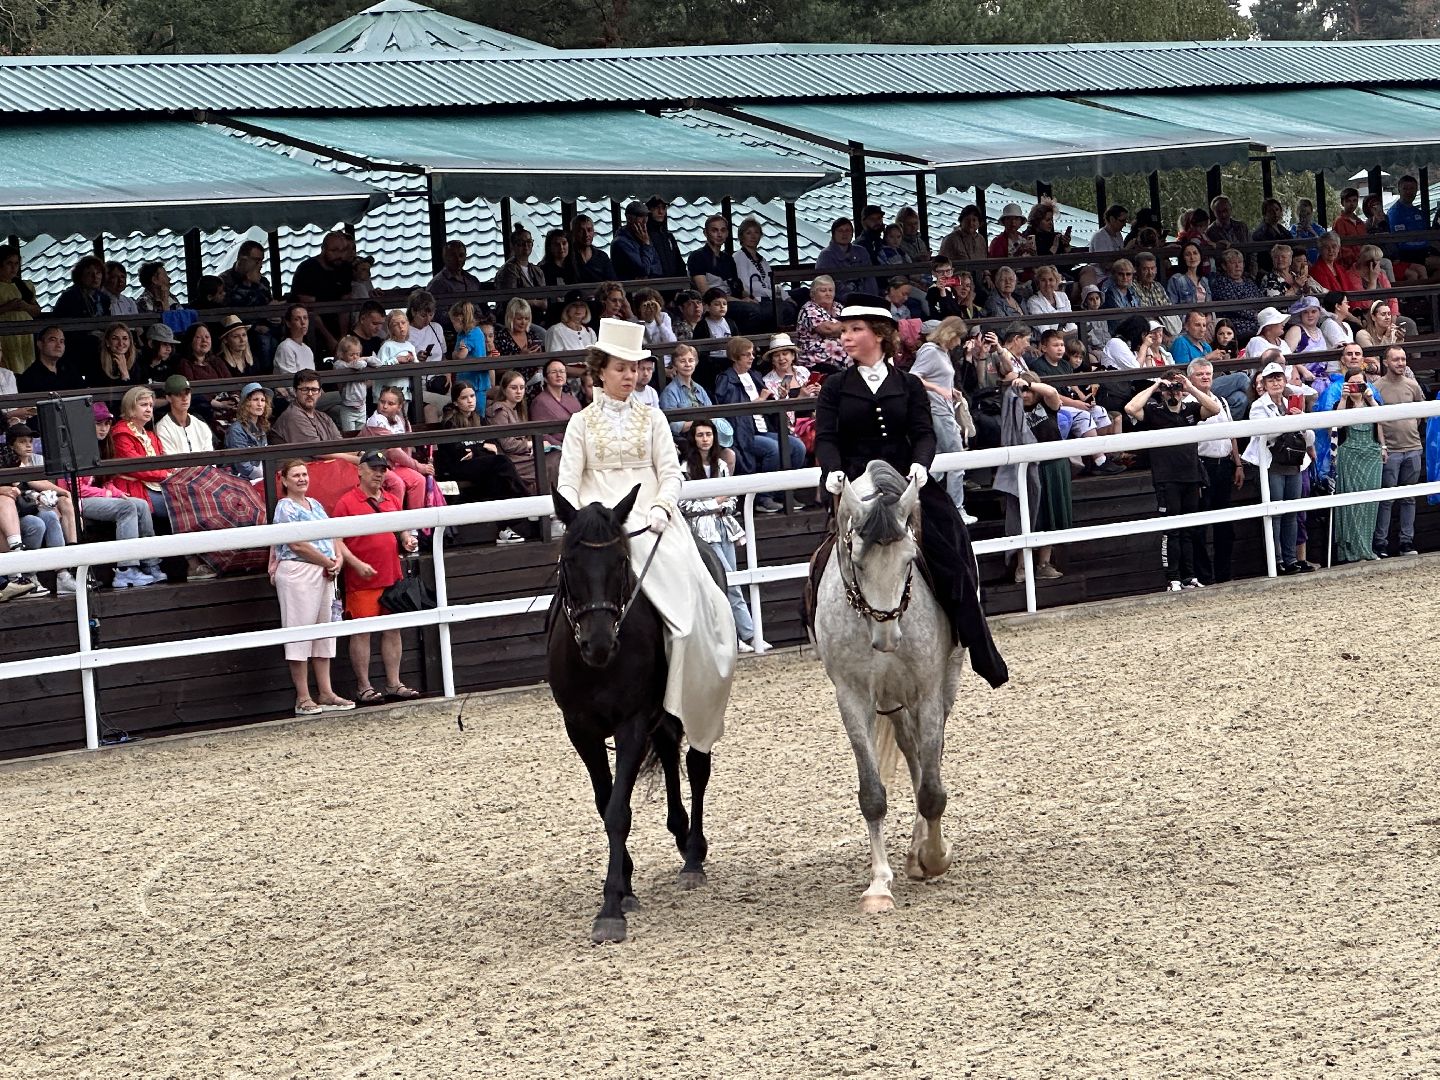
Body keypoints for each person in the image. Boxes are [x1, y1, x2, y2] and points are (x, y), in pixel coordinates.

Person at [555, 316, 737, 744]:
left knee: (689, 616)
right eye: (620, 368)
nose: (629, 376)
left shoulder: (653, 417)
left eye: (634, 368)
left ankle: (678, 702)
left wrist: (661, 506)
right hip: (600, 525)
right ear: (600, 370)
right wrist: (580, 519)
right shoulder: (580, 422)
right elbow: (567, 480)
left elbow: (671, 473)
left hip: (651, 519)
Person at [813, 293, 1006, 683]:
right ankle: (818, 628)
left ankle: (974, 643)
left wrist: (920, 465)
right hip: (854, 484)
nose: (845, 337)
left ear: (879, 335)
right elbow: (827, 438)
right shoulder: (835, 386)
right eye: (844, 330)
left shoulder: (909, 384)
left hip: (906, 481)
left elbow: (923, 433)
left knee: (952, 546)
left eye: (854, 329)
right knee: (820, 564)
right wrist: (832, 470)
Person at [332, 450, 421, 705]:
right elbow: (336, 540)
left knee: (392, 630)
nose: (379, 474)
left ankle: (393, 683)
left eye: (382, 470)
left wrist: (407, 539)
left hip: (391, 575)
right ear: (360, 470)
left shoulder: (391, 499)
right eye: (374, 469)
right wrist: (356, 564)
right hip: (362, 579)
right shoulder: (346, 503)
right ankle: (364, 687)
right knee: (362, 632)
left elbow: (401, 529)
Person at [271, 460, 356, 716]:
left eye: (304, 474)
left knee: (324, 632)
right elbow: (296, 544)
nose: (302, 479)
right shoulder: (285, 507)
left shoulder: (315, 504)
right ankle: (303, 696)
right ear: (285, 480)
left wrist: (337, 560)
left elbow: (331, 535)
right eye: (296, 475)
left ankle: (326, 692)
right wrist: (327, 562)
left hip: (324, 572)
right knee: (299, 632)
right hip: (299, 572)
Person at [1124, 372, 1221, 591]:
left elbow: (1215, 409)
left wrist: (1190, 387)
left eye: (1176, 389)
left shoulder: (1191, 409)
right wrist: (1156, 385)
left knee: (1189, 529)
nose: (1173, 393)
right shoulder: (1154, 411)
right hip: (1167, 478)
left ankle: (1189, 576)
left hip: (1191, 476)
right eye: (1169, 390)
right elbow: (1130, 408)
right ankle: (1173, 578)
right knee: (1171, 530)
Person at [679, 418, 762, 652]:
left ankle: (744, 634)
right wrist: (715, 502)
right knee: (725, 581)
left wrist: (718, 504)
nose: (705, 439)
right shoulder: (684, 469)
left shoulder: (722, 465)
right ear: (693, 439)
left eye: (708, 434)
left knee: (733, 579)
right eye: (700, 435)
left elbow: (732, 499)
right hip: (702, 531)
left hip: (724, 527)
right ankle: (745, 634)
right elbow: (685, 506)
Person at [713, 336, 805, 512]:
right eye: (746, 355)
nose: (752, 357)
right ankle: (763, 497)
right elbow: (732, 411)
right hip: (744, 433)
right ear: (735, 357)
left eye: (752, 354)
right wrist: (759, 401)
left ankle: (783, 492)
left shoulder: (754, 375)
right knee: (773, 449)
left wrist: (779, 397)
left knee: (797, 446)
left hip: (764, 428)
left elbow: (767, 405)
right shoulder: (726, 379)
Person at [1242, 361, 1315, 575]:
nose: (1276, 383)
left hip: (1293, 464)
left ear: (1284, 381)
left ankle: (1291, 559)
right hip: (1272, 465)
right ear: (1264, 384)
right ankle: (1277, 560)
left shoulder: (1292, 403)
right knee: (1275, 514)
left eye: (1279, 378)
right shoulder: (1258, 406)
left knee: (1291, 513)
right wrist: (1289, 420)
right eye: (1271, 379)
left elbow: (1309, 437)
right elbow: (1265, 433)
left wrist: (1300, 420)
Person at [434, 381, 527, 544]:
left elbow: (493, 448)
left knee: (497, 477)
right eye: (464, 398)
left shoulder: (480, 419)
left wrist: (476, 451)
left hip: (480, 465)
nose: (470, 400)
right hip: (458, 468)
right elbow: (459, 454)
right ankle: (526, 499)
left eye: (472, 396)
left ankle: (504, 529)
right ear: (456, 402)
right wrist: (480, 449)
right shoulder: (450, 423)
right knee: (502, 462)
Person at [908, 317, 975, 520]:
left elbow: (937, 376)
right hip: (937, 410)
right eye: (958, 337)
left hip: (943, 409)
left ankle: (923, 505)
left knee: (936, 464)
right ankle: (957, 509)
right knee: (956, 459)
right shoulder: (930, 350)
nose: (959, 342)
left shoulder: (942, 352)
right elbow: (913, 377)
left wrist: (949, 390)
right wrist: (938, 389)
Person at [1371, 345, 1425, 558]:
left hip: (1413, 447)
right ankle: (1380, 542)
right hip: (1390, 450)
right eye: (1396, 359)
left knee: (1409, 498)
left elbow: (1421, 412)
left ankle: (1406, 542)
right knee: (1386, 499)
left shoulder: (1412, 385)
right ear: (1386, 362)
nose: (1401, 363)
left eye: (1403, 359)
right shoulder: (1377, 386)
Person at [1329, 373, 1387, 564]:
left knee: (1370, 504)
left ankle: (1366, 548)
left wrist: (1383, 446)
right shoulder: (1340, 403)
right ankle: (1352, 551)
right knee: (1351, 504)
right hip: (1349, 456)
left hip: (1371, 455)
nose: (1356, 387)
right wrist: (1344, 398)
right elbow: (1335, 426)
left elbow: (1381, 421)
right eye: (1351, 383)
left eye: (1359, 383)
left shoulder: (1372, 403)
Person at [487, 368, 557, 495]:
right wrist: (533, 444)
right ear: (504, 389)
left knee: (557, 455)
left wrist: (532, 447)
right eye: (514, 388)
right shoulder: (499, 411)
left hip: (524, 456)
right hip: (512, 461)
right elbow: (508, 445)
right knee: (554, 459)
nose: (519, 391)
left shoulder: (518, 409)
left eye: (522, 387)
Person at [364, 387, 431, 510]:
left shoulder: (401, 420)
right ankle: (395, 520)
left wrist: (411, 468)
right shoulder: (375, 421)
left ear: (399, 407)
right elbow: (392, 450)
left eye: (390, 404)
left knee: (419, 480)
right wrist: (418, 467)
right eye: (382, 402)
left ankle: (416, 520)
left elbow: (406, 449)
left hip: (394, 465)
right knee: (397, 483)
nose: (384, 406)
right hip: (374, 465)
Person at [289, 231, 354, 354]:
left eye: (343, 250)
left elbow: (345, 306)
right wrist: (330, 339)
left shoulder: (345, 268)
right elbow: (310, 309)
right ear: (323, 249)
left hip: (336, 325)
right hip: (309, 329)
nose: (339, 255)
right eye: (334, 251)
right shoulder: (307, 269)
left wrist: (343, 338)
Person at [0, 245, 41, 374]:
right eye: (9, 263)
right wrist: (8, 307)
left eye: (16, 263)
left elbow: (37, 311)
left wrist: (25, 307)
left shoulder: (23, 285)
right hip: (5, 334)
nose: (13, 267)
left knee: (27, 365)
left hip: (25, 334)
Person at [1208, 248, 1265, 341]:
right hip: (1236, 322)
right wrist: (1257, 316)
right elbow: (1235, 306)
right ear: (1224, 266)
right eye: (1233, 263)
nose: (1237, 266)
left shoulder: (1249, 281)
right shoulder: (1221, 283)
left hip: (1257, 319)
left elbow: (1261, 299)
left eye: (1240, 262)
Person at [815, 217, 876, 301]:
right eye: (840, 230)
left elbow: (870, 279)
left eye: (847, 230)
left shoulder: (861, 251)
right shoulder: (826, 255)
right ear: (833, 234)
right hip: (838, 301)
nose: (844, 234)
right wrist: (850, 298)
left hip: (865, 298)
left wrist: (872, 298)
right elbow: (827, 283)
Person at [795, 275, 847, 371]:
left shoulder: (838, 307)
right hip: (816, 361)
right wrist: (848, 326)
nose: (828, 294)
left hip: (839, 359)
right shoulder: (809, 309)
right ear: (813, 294)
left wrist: (842, 326)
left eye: (831, 290)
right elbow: (830, 330)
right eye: (823, 291)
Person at [531, 357, 584, 447]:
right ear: (546, 378)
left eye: (562, 371)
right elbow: (541, 433)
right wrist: (561, 446)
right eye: (553, 372)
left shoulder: (572, 400)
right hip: (555, 449)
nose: (559, 375)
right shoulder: (539, 402)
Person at [17, 325, 86, 394]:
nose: (58, 345)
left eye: (61, 341)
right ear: (40, 344)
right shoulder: (30, 378)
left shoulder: (68, 369)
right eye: (53, 340)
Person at [224, 382, 271, 483]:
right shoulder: (236, 430)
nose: (260, 404)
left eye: (262, 400)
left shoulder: (261, 426)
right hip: (242, 480)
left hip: (261, 478)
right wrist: (265, 475)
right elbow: (242, 466)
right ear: (246, 403)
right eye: (255, 400)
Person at [610, 202, 663, 281]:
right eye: (641, 216)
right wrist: (646, 245)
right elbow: (643, 270)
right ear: (629, 218)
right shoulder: (620, 242)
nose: (645, 221)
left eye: (646, 216)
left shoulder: (644, 238)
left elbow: (658, 269)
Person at [448, 300, 490, 396]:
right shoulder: (461, 334)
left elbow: (460, 355)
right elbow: (455, 355)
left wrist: (455, 354)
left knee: (477, 405)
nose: (452, 325)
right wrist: (455, 354)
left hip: (475, 382)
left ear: (459, 320)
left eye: (453, 322)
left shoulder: (473, 333)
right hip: (464, 380)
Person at [426, 240, 483, 304]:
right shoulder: (437, 284)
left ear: (465, 256)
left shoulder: (473, 280)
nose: (458, 259)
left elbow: (482, 304)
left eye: (461, 255)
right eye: (453, 256)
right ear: (445, 257)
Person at [1023, 265, 1075, 334]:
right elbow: (1044, 330)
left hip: (1070, 335)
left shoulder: (1063, 296)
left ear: (1056, 282)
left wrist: (1067, 333)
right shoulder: (1033, 302)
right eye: (1043, 280)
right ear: (1038, 283)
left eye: (1051, 280)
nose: (1047, 283)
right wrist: (1064, 334)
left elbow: (1071, 323)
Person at [545, 290, 598, 354]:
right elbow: (554, 357)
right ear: (567, 309)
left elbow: (596, 356)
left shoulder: (590, 332)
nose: (578, 308)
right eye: (574, 305)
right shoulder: (556, 330)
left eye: (582, 305)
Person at [564, 215, 615, 283]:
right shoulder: (566, 257)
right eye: (581, 231)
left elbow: (612, 283)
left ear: (594, 232)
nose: (586, 234)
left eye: (589, 230)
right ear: (572, 233)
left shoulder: (602, 257)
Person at [646, 196, 686, 278]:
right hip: (654, 283)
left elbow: (679, 263)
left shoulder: (669, 236)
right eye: (657, 208)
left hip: (674, 283)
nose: (661, 212)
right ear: (649, 210)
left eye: (663, 208)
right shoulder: (644, 236)